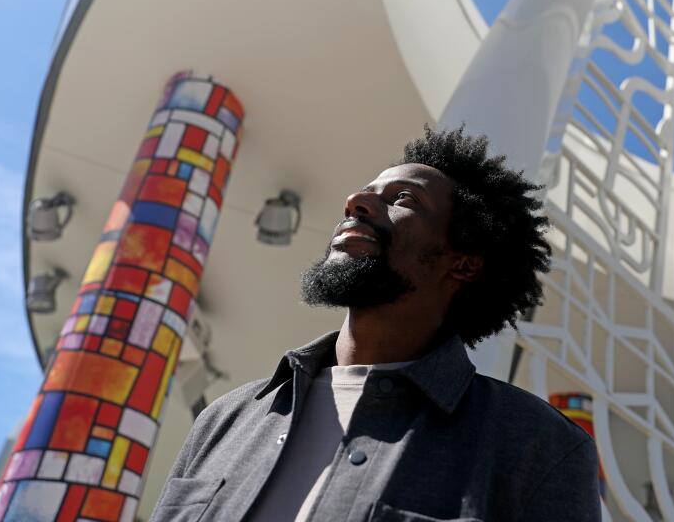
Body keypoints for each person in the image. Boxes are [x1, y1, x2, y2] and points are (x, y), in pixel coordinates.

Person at [153, 127, 601, 521]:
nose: (357, 201)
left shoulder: (538, 449)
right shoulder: (225, 420)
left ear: (461, 264)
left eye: (403, 199)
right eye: (365, 191)